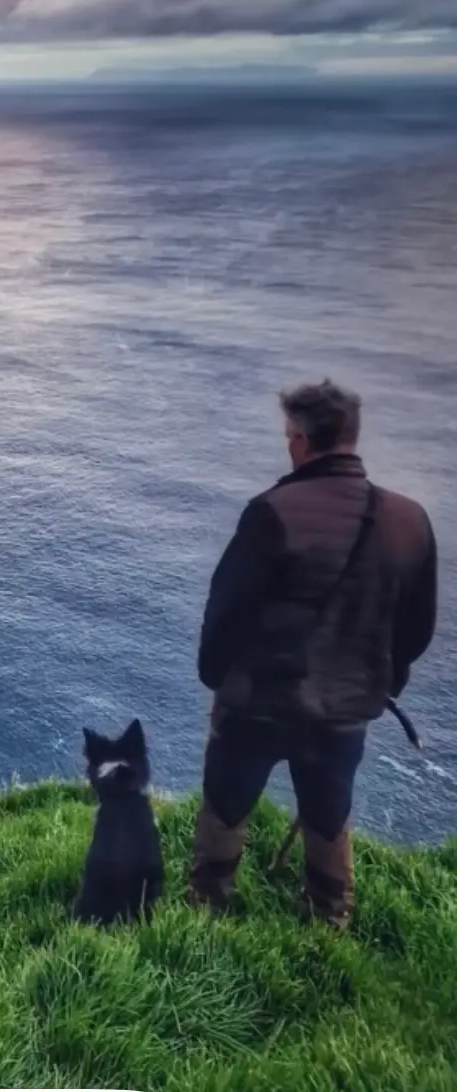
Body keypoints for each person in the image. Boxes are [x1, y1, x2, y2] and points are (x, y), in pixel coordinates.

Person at [188, 379, 438, 928]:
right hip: (345, 708)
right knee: (328, 813)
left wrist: (215, 677)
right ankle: (329, 919)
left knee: (226, 804)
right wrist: (379, 681)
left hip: (256, 703)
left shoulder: (272, 512)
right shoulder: (408, 520)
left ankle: (207, 911)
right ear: (352, 437)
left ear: (300, 440)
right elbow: (417, 629)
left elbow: (226, 612)